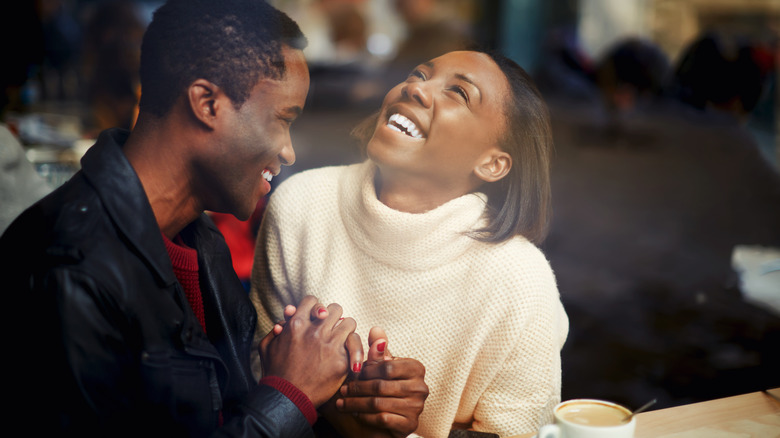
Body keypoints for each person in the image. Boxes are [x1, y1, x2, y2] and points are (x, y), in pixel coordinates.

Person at [0, 0, 426, 436]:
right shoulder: (67, 270)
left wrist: (340, 403)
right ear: (207, 104)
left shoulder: (199, 239)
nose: (288, 151)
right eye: (282, 119)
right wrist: (289, 394)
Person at [251, 50, 569, 437]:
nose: (415, 88)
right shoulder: (300, 204)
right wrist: (334, 398)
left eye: (459, 93)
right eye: (419, 73)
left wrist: (376, 429)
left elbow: (520, 432)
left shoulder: (521, 278)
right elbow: (253, 373)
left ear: (492, 164)